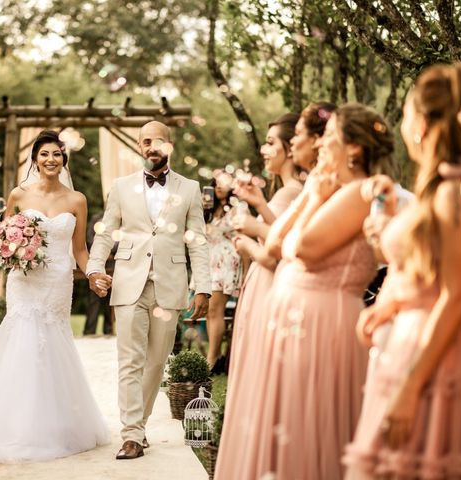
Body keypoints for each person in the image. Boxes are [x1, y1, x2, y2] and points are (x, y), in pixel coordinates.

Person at [234, 103, 394, 479]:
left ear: (353, 149)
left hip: (326, 325)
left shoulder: (359, 193)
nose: (321, 148)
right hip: (296, 321)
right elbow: (274, 243)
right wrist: (314, 194)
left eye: (331, 139)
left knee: (314, 431)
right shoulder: (329, 190)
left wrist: (313, 197)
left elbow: (300, 246)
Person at [0, 130, 110, 462]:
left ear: (64, 159)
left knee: (53, 343)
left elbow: (80, 249)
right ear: (35, 159)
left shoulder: (77, 200)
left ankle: (57, 424)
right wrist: (13, 253)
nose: (50, 159)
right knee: (23, 341)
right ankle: (14, 425)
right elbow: (3, 239)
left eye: (56, 154)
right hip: (24, 281)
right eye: (44, 154)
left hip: (58, 281)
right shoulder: (18, 195)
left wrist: (93, 275)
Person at [344, 63, 461, 479]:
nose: (404, 121)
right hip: (404, 345)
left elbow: (456, 293)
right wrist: (389, 304)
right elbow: (427, 272)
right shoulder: (438, 189)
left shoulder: (452, 194)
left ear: (424, 124)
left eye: (409, 111)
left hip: (433, 359)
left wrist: (412, 386)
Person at [87, 120, 211, 460]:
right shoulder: (121, 187)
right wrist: (95, 268)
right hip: (129, 282)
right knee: (130, 360)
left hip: (170, 285)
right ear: (139, 147)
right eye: (145, 142)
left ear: (170, 145)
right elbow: (104, 232)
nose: (151, 147)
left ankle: (138, 426)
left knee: (156, 362)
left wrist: (203, 287)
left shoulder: (189, 188)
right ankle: (132, 434)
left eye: (157, 141)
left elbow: (198, 242)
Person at [215, 110, 307, 479]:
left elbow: (280, 249)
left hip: (271, 287)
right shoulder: (283, 192)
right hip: (263, 286)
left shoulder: (292, 192)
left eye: (272, 143)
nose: (265, 150)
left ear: (290, 146)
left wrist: (247, 238)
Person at [199, 172, 242, 372]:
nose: (218, 187)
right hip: (209, 261)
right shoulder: (208, 209)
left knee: (216, 310)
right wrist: (200, 208)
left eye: (223, 183)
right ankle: (215, 356)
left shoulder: (237, 208)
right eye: (215, 183)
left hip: (226, 262)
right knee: (209, 311)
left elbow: (243, 235)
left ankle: (212, 358)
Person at [83, 211, 114, 336]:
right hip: (97, 262)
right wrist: (101, 253)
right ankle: (90, 330)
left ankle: (109, 330)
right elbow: (90, 237)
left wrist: (111, 253)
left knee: (111, 299)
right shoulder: (96, 217)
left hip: (114, 262)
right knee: (94, 298)